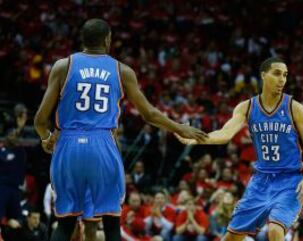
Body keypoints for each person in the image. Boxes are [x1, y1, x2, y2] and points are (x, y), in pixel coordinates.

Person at [33, 18, 207, 241]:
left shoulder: (62, 66)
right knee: (112, 223)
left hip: (67, 144)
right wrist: (179, 128)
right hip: (103, 144)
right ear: (108, 40)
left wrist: (46, 138)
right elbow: (149, 114)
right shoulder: (122, 70)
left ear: (83, 40)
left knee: (65, 224)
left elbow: (39, 120)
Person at [176, 57, 303, 241]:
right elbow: (225, 134)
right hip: (260, 181)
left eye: (285, 75)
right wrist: (195, 140)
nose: (282, 79)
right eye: (277, 74)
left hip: (290, 180)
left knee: (275, 230)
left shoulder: (294, 108)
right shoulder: (247, 107)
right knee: (231, 238)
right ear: (263, 75)